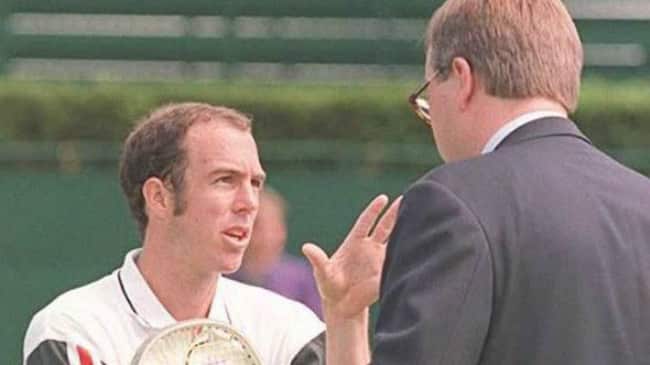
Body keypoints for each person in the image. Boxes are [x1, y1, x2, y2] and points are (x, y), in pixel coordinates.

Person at [305, 0, 650, 364]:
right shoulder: (643, 202)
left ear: (462, 77)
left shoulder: (451, 202)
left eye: (427, 94)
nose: (430, 115)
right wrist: (346, 318)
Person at [23, 103, 400, 365]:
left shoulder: (289, 329)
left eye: (255, 182)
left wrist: (348, 317)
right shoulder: (73, 330)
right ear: (158, 196)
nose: (249, 202)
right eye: (225, 180)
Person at [229, 187, 323, 318]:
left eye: (274, 225)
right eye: (257, 226)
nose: (267, 235)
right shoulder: (222, 279)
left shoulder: (303, 278)